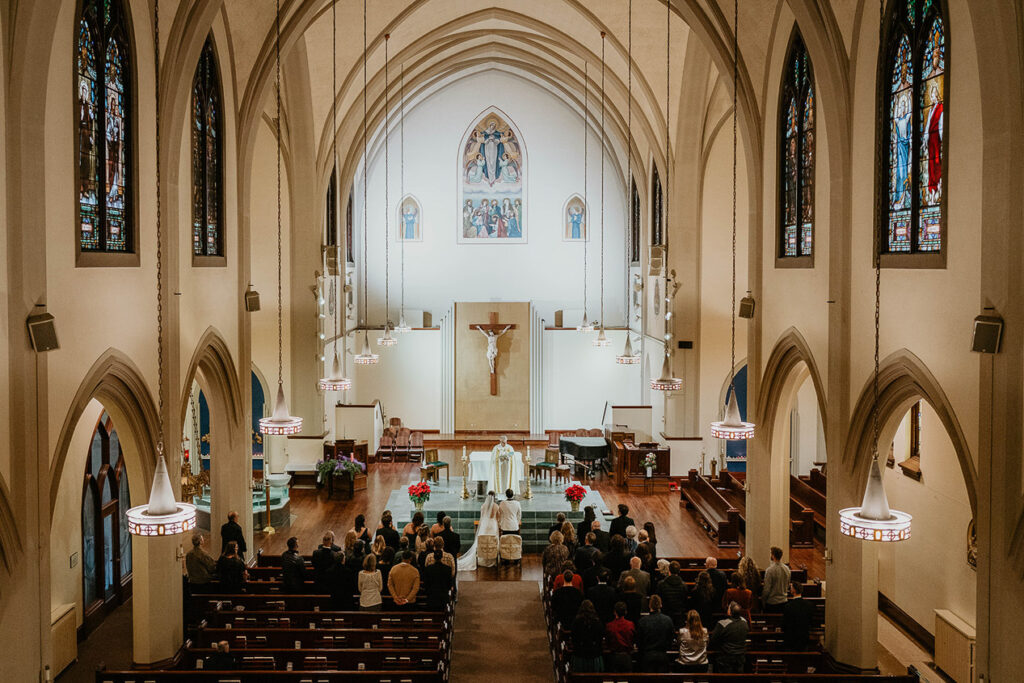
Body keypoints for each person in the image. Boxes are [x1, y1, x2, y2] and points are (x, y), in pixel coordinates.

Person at [457, 492, 499, 571]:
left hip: (485, 525)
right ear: (494, 497)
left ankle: (482, 557)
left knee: (483, 541)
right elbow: (497, 518)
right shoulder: (496, 506)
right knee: (492, 541)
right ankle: (492, 559)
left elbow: (482, 518)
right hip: (493, 525)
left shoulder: (483, 506)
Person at [636, 595, 675, 672]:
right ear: (660, 605)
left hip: (647, 656)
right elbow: (670, 638)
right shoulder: (667, 620)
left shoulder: (643, 621)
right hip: (663, 656)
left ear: (650, 605)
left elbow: (639, 641)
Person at [709, 601, 749, 673]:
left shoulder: (723, 623)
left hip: (726, 657)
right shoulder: (745, 622)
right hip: (741, 656)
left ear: (730, 612)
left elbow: (713, 639)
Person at [570, 600, 605, 673]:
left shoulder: (576, 622)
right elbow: (600, 638)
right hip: (594, 656)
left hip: (579, 655)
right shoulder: (597, 622)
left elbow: (573, 638)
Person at [782, 581, 815, 650]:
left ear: (793, 590)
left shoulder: (788, 606)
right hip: (804, 636)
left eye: (791, 588)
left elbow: (785, 624)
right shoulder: (809, 605)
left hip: (791, 638)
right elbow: (811, 621)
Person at [604, 601, 636, 672]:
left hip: (614, 656)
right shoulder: (630, 624)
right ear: (625, 612)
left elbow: (607, 642)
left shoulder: (609, 626)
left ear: (615, 612)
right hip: (626, 656)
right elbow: (633, 639)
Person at [656, 561, 689, 627]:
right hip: (679, 616)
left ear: (669, 570)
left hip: (665, 615)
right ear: (679, 571)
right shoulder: (683, 585)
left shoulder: (661, 584)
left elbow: (659, 599)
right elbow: (685, 600)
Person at [762, 546, 791, 613]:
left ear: (773, 555)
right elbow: (788, 584)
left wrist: (763, 601)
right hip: (784, 601)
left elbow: (767, 589)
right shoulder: (787, 569)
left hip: (772, 603)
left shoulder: (770, 570)